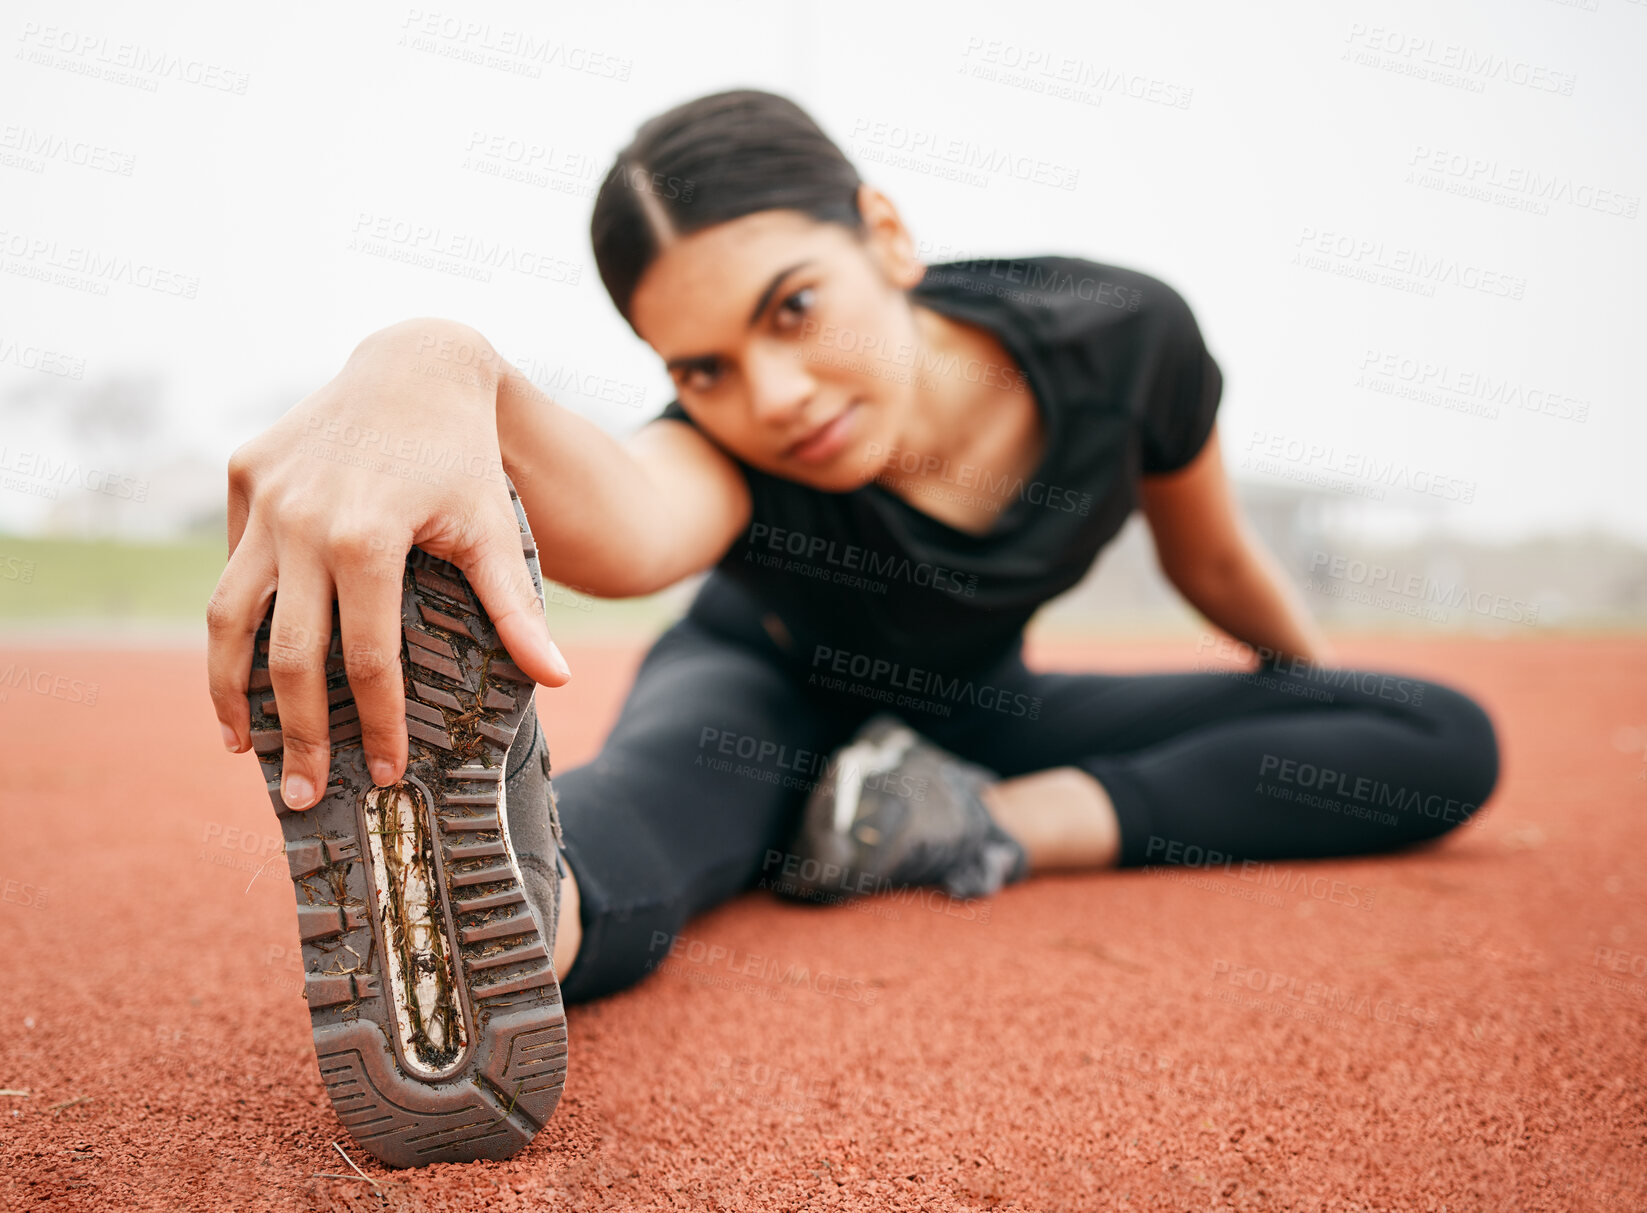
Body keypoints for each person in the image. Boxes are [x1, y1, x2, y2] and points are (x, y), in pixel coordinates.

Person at [206, 88, 1499, 1161]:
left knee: (1437, 735)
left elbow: (1211, 555)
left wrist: (1309, 703)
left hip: (977, 719)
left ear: (884, 231)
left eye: (792, 308)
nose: (769, 395)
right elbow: (634, 526)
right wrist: (434, 363)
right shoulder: (728, 451)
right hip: (760, 695)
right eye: (700, 369)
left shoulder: (1127, 338)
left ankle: (974, 822)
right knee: (655, 815)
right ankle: (485, 928)